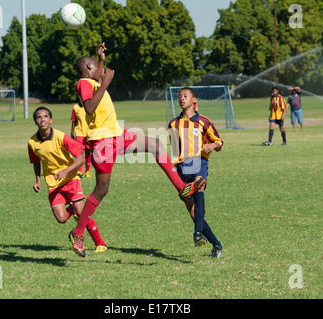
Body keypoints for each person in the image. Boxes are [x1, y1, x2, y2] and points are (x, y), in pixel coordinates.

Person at [70, 43, 205, 257]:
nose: (101, 70)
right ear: (88, 68)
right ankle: (78, 233)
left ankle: (181, 188)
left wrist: (101, 59)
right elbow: (89, 108)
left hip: (118, 136)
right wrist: (104, 82)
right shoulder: (83, 84)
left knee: (155, 144)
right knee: (101, 190)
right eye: (97, 67)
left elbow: (101, 77)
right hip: (101, 143)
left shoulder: (94, 80)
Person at [28, 106, 107, 253]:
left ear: (51, 120)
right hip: (53, 184)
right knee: (61, 218)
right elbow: (35, 161)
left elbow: (82, 157)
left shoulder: (60, 137)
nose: (42, 119)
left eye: (45, 117)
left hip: (71, 179)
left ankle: (100, 243)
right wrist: (38, 180)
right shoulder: (32, 142)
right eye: (39, 117)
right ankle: (76, 212)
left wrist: (66, 171)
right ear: (35, 122)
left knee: (81, 210)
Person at [168, 87, 224, 258]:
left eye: (185, 96)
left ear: (194, 101)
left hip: (199, 162)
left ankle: (197, 234)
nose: (181, 98)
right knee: (193, 213)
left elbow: (219, 142)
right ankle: (217, 244)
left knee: (199, 185)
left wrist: (212, 145)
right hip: (182, 169)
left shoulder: (203, 121)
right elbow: (175, 149)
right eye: (180, 96)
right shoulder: (172, 123)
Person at [71, 102, 92, 178]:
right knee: (79, 153)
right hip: (79, 133)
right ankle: (80, 171)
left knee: (88, 152)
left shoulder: (90, 105)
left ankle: (87, 171)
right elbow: (73, 121)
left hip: (89, 133)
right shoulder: (75, 107)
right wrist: (72, 132)